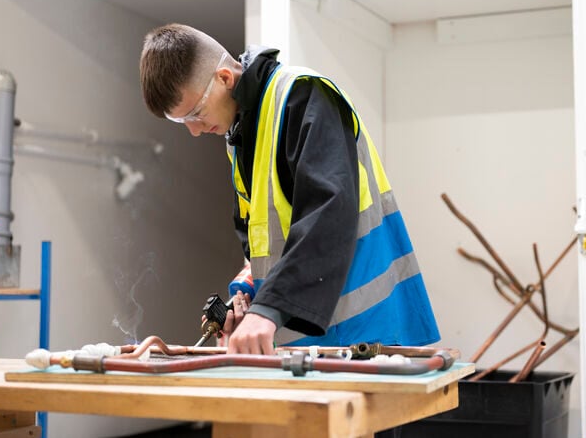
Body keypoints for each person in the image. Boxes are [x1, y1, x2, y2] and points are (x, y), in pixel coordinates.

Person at [140, 24, 440, 356]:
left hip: (365, 336)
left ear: (224, 78)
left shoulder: (303, 96)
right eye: (183, 122)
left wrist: (268, 310)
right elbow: (272, 246)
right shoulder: (242, 138)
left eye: (195, 114)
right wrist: (249, 294)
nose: (195, 131)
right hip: (321, 347)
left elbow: (328, 216)